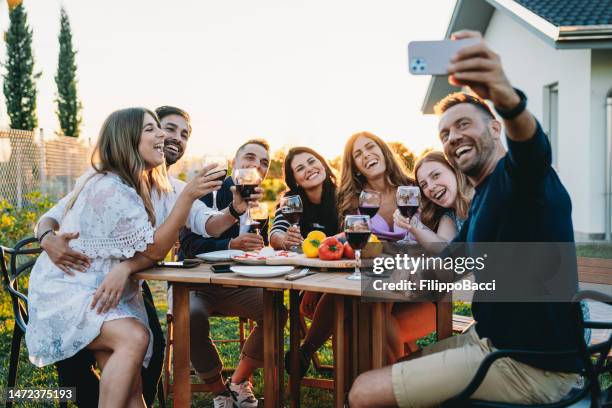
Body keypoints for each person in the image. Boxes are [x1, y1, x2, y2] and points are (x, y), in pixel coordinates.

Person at [349, 31, 583, 407]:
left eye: (463, 125)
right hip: (490, 341)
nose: (452, 137)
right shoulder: (482, 199)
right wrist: (390, 266)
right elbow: (450, 265)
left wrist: (502, 94)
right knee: (392, 363)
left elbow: (532, 147)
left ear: (494, 127)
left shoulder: (517, 178)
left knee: (363, 392)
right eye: (444, 133)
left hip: (533, 367)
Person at [37, 105, 253, 407]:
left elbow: (209, 224)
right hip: (75, 288)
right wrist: (47, 239)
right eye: (160, 128)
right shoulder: (108, 184)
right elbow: (152, 249)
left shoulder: (167, 187)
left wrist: (234, 210)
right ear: (130, 138)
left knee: (136, 374)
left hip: (116, 289)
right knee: (134, 340)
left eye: (183, 134)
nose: (169, 136)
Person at [179, 139, 282, 408]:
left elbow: (259, 245)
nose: (255, 165)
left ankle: (238, 381)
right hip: (197, 283)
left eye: (263, 163)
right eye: (249, 158)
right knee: (190, 318)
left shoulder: (259, 199)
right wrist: (229, 244)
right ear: (234, 162)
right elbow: (188, 246)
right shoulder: (208, 189)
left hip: (238, 282)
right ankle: (219, 392)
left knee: (275, 312)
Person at [268, 147, 340, 378]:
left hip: (342, 280)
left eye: (312, 161)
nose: (309, 169)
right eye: (300, 168)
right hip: (305, 280)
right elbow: (275, 234)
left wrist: (317, 284)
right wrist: (285, 240)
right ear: (294, 180)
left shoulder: (344, 195)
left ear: (323, 163)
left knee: (340, 299)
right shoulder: (290, 202)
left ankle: (305, 351)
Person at [337, 131, 415, 241]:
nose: (366, 154)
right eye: (358, 154)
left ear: (383, 152)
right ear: (356, 169)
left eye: (370, 147)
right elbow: (349, 240)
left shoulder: (414, 188)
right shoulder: (353, 202)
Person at [393, 151, 473, 252]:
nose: (430, 187)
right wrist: (412, 223)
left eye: (436, 175)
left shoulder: (482, 199)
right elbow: (444, 251)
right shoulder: (450, 216)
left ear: (454, 170)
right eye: (424, 185)